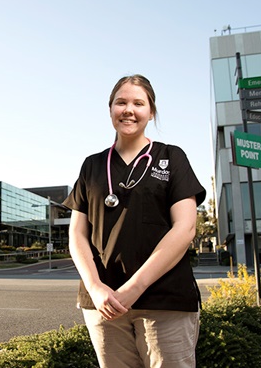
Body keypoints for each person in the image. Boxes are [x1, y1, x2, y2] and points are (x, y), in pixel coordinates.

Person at [63, 74, 206, 368]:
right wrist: (95, 287)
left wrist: (134, 288)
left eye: (138, 103)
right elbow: (77, 234)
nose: (129, 109)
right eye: (121, 102)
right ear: (110, 109)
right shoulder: (92, 166)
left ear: (151, 112)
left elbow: (185, 228)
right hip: (104, 304)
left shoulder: (172, 157)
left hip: (164, 299)